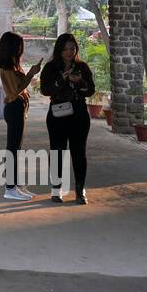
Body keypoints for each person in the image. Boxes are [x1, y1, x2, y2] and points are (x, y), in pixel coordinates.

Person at [38, 33, 94, 204]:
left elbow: (91, 90)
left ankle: (79, 190)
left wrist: (81, 82)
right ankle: (56, 189)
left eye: (72, 49)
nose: (69, 52)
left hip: (79, 114)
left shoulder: (82, 67)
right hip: (58, 114)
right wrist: (60, 80)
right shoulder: (51, 68)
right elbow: (45, 90)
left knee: (79, 153)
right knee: (57, 152)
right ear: (59, 50)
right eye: (65, 49)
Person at [0, 31, 41, 201]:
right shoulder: (7, 66)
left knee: (16, 148)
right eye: (19, 45)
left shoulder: (13, 64)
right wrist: (31, 74)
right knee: (13, 149)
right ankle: (10, 188)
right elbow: (16, 89)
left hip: (18, 108)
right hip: (14, 108)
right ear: (11, 47)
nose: (21, 48)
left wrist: (29, 75)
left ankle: (16, 185)